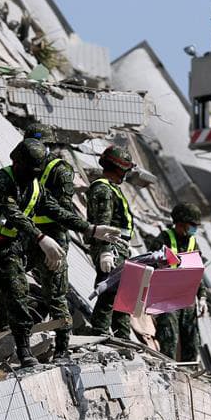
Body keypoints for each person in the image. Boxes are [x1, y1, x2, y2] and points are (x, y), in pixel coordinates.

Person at [0, 139, 121, 368]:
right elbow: (14, 215)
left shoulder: (34, 187)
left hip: (6, 249)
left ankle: (23, 351)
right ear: (16, 162)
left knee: (18, 297)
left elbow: (55, 209)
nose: (29, 174)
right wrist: (41, 238)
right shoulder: (0, 181)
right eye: (27, 169)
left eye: (34, 171)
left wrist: (89, 229)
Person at [23, 123, 77, 359]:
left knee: (55, 293)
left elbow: (64, 212)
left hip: (53, 237)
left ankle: (63, 348)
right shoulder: (27, 162)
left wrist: (56, 248)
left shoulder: (60, 170)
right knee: (24, 287)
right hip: (32, 235)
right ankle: (26, 337)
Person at [87, 145, 137, 339]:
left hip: (119, 247)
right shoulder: (103, 189)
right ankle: (99, 333)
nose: (126, 174)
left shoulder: (111, 188)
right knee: (109, 292)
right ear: (117, 168)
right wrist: (106, 250)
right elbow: (103, 223)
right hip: (111, 248)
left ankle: (122, 337)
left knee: (122, 295)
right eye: (125, 169)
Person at [148, 203, 206, 361]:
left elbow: (197, 271)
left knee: (192, 343)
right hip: (167, 299)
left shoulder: (193, 243)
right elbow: (150, 266)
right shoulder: (164, 238)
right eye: (192, 225)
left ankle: (189, 376)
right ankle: (167, 374)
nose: (194, 229)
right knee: (168, 340)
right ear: (180, 222)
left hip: (187, 301)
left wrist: (202, 297)